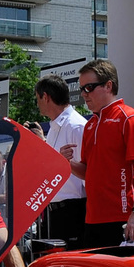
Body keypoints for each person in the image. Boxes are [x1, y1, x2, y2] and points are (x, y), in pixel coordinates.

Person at [71, 59, 134, 247]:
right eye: (82, 88)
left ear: (108, 86)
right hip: (93, 219)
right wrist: (64, 163)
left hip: (123, 218)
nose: (84, 94)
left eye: (89, 87)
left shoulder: (129, 118)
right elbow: (88, 171)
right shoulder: (90, 125)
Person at [35, 75, 87, 248]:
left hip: (73, 210)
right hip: (54, 212)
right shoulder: (53, 129)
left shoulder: (76, 126)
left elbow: (87, 172)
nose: (37, 104)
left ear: (46, 97)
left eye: (37, 98)